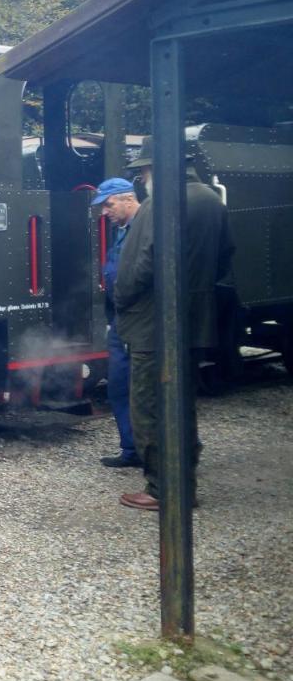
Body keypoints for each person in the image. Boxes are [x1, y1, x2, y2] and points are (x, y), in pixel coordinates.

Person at [113, 136, 234, 511]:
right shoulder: (212, 201)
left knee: (149, 406)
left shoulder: (156, 206)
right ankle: (186, 480)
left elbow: (138, 268)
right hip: (195, 321)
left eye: (143, 171)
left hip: (154, 325)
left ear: (155, 169)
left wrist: (119, 299)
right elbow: (225, 257)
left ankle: (162, 487)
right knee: (183, 405)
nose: (141, 179)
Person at [90, 177, 141, 468]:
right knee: (119, 387)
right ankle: (131, 448)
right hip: (120, 320)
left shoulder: (144, 228)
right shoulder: (122, 230)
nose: (104, 212)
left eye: (108, 205)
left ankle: (149, 452)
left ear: (127, 199)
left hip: (138, 321)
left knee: (141, 389)